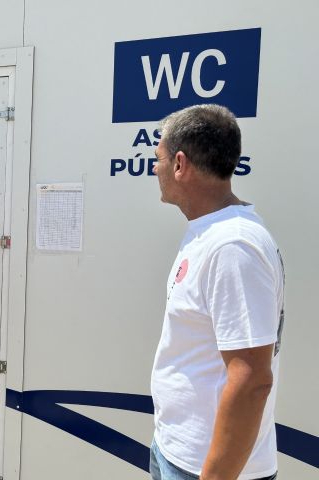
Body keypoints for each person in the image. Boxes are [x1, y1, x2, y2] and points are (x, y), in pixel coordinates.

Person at [150, 105, 283, 480]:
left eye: (157, 159)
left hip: (206, 469)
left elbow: (252, 380)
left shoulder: (233, 246)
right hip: (176, 452)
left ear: (180, 164)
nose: (154, 170)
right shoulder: (211, 232)